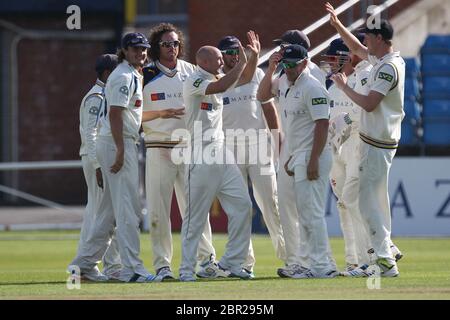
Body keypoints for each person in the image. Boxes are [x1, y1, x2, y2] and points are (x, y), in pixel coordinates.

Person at [326, 2, 405, 277]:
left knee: (364, 202)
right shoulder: (383, 60)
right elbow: (358, 50)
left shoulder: (387, 68)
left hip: (375, 142)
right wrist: (337, 25)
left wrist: (344, 87)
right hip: (376, 142)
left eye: (369, 37)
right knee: (368, 202)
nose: (364, 44)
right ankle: (383, 257)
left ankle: (382, 259)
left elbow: (370, 104)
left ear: (380, 39)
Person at [179, 31, 259, 282]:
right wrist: (243, 61)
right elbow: (223, 85)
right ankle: (185, 270)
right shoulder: (194, 80)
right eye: (218, 60)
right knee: (196, 217)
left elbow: (243, 78)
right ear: (203, 62)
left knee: (243, 207)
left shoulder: (216, 75)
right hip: (201, 155)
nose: (223, 62)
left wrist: (254, 57)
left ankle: (233, 263)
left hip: (222, 154)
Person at [141, 23, 217, 281]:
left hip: (189, 148)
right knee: (158, 210)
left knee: (196, 208)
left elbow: (213, 99)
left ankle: (207, 261)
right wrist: (161, 114)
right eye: (165, 44)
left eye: (175, 43)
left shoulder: (192, 72)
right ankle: (163, 266)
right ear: (156, 47)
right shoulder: (145, 74)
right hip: (158, 147)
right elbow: (131, 114)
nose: (171, 48)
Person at [258, 44, 338, 278]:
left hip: (314, 155)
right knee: (305, 214)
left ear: (305, 63)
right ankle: (309, 264)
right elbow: (262, 96)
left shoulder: (313, 87)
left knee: (311, 213)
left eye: (293, 65)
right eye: (286, 64)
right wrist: (272, 68)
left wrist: (313, 160)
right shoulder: (284, 81)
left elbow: (322, 124)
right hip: (297, 155)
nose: (289, 69)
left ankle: (323, 266)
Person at [218, 35, 286, 275]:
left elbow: (269, 108)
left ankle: (290, 258)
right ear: (221, 55)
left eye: (236, 51)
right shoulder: (217, 79)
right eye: (228, 52)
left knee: (271, 202)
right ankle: (244, 262)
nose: (234, 55)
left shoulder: (256, 74)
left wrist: (278, 140)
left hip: (259, 146)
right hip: (229, 148)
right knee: (238, 207)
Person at [94, 32, 157, 282]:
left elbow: (131, 116)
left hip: (119, 142)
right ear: (124, 51)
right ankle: (133, 269)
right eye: (134, 49)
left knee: (108, 213)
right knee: (128, 210)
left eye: (143, 49)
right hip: (118, 144)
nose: (140, 53)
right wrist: (121, 150)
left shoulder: (133, 74)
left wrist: (165, 112)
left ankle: (84, 264)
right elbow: (116, 114)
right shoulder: (123, 75)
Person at [68, 54, 122, 281]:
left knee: (103, 213)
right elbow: (89, 134)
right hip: (96, 159)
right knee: (99, 214)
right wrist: (98, 165)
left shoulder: (105, 95)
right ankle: (84, 267)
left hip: (99, 158)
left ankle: (108, 266)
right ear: (108, 74)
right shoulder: (97, 97)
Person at [321, 37, 373, 271]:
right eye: (329, 58)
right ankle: (353, 260)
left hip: (356, 144)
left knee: (356, 202)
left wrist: (346, 123)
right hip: (335, 149)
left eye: (335, 57)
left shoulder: (363, 77)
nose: (330, 62)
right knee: (344, 204)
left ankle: (373, 256)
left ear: (348, 56)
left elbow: (364, 111)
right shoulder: (331, 86)